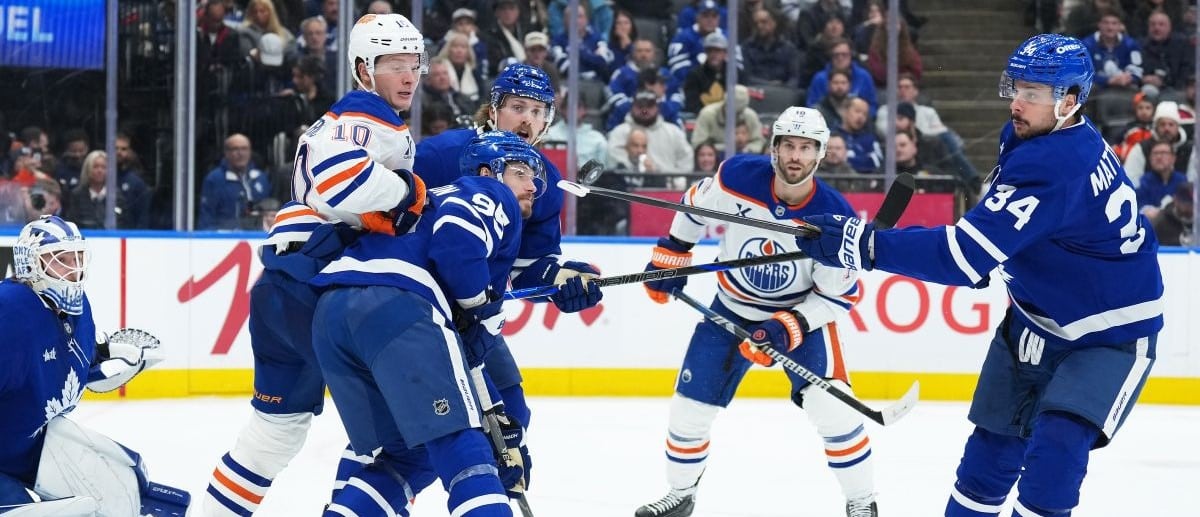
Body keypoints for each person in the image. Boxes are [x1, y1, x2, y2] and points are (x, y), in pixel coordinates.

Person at [793, 34, 1164, 517]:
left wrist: (861, 243)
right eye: (1019, 88)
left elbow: (962, 256)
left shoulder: (1057, 162)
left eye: (1035, 93)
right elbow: (1013, 236)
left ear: (1070, 100)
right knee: (986, 462)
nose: (1019, 102)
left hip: (1108, 336)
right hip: (1033, 320)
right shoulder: (1041, 135)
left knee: (1055, 459)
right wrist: (999, 255)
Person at [201, 13, 429, 517]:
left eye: (414, 63)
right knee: (400, 433)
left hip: (279, 290)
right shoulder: (366, 119)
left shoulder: (347, 121)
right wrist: (409, 193)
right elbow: (341, 181)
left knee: (274, 433)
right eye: (394, 63)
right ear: (363, 70)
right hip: (318, 294)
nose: (409, 75)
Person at [637, 107, 879, 517]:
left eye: (806, 148)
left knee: (832, 410)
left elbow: (838, 297)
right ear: (774, 148)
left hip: (800, 319)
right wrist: (673, 253)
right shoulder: (737, 178)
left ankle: (862, 503)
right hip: (729, 312)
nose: (795, 156)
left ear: (820, 154)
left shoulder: (835, 217)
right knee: (688, 409)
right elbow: (695, 204)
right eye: (788, 146)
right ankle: (680, 495)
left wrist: (789, 326)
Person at [309, 132, 547, 517]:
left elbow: (458, 354)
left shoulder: (434, 199)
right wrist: (481, 308)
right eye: (520, 172)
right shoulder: (488, 190)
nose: (532, 185)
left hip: (334, 316)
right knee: (463, 449)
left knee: (409, 456)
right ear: (490, 171)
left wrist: (499, 421)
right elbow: (456, 239)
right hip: (398, 305)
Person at [413, 62, 605, 502]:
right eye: (518, 107)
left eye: (538, 112)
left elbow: (526, 268)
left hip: (471, 319)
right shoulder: (444, 153)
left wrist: (562, 281)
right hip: (416, 308)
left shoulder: (544, 182)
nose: (527, 121)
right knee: (430, 439)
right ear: (494, 109)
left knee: (511, 414)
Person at [0, 215, 188, 516]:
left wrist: (101, 364)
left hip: (32, 444)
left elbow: (58, 367)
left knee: (126, 485)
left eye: (77, 257)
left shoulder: (76, 306)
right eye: (60, 260)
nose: (74, 270)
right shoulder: (9, 313)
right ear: (29, 265)